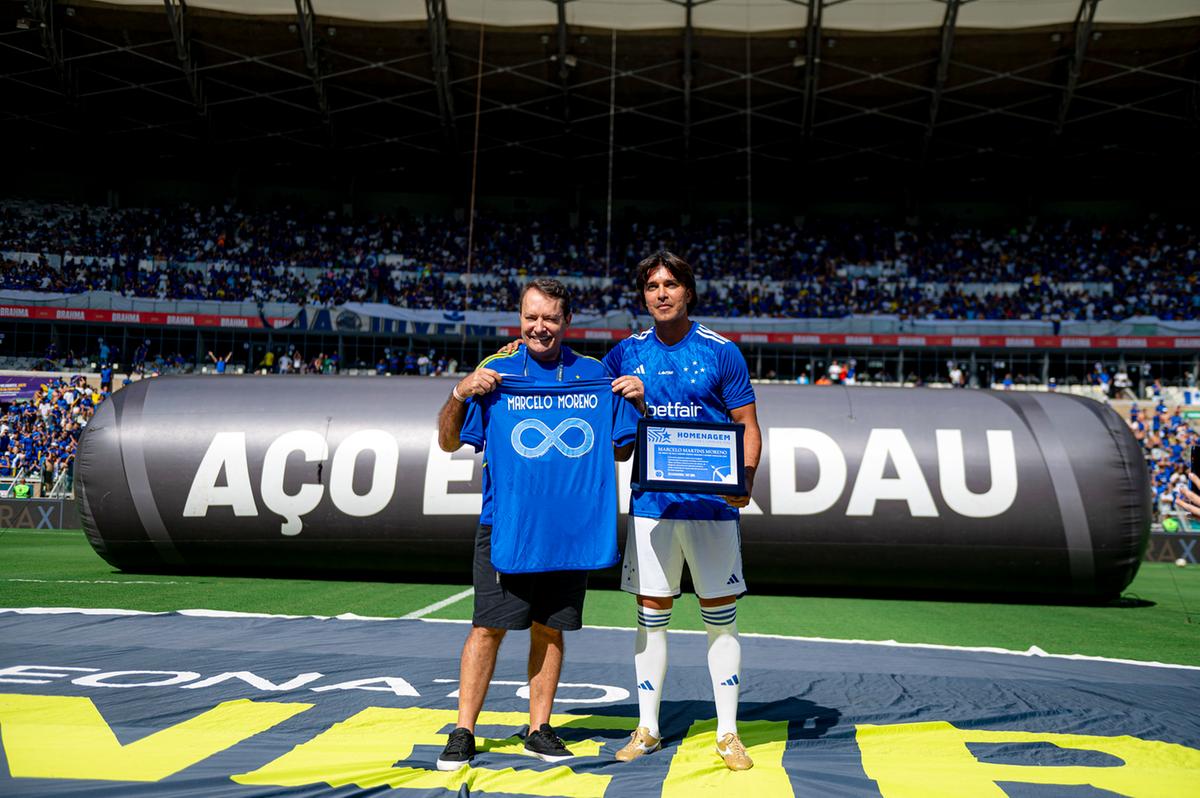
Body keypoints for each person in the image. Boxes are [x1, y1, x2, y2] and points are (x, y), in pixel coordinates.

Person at [434, 277, 640, 771]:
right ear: (519, 319)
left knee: (550, 631)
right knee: (487, 628)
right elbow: (446, 441)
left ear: (567, 322)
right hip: (507, 526)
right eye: (531, 317)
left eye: (550, 318)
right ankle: (464, 731)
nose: (540, 327)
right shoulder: (496, 373)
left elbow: (622, 446)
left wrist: (636, 400)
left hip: (571, 530)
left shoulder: (595, 375)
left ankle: (538, 728)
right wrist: (460, 391)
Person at [602, 250, 762, 771]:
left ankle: (728, 733)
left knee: (720, 619)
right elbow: (616, 439)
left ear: (688, 292)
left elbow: (748, 423)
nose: (662, 293)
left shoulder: (722, 351)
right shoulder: (624, 354)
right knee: (652, 618)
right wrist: (630, 405)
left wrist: (746, 479)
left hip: (712, 507)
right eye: (652, 286)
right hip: (652, 506)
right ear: (643, 295)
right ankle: (647, 727)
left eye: (672, 284)